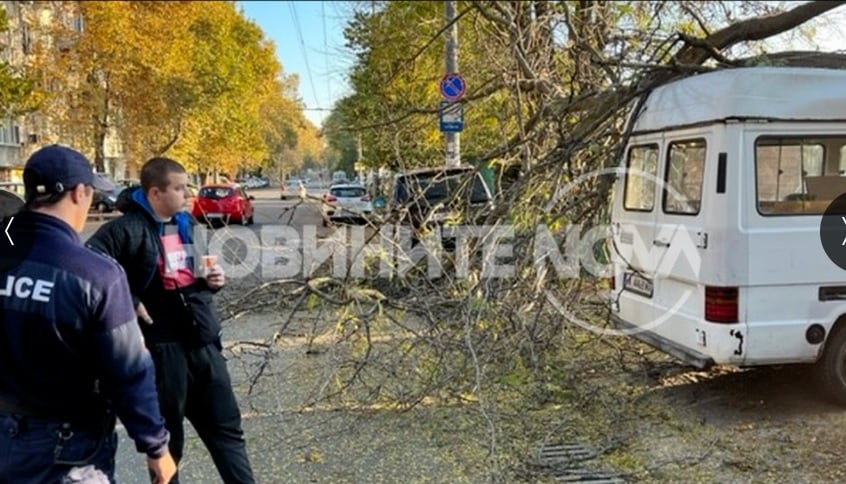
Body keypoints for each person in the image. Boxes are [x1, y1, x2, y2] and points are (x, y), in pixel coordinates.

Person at [0, 144, 176, 483]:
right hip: (67, 449)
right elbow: (129, 371)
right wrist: (157, 447)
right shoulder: (96, 274)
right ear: (79, 193)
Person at [87, 157, 255, 483]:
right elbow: (91, 267)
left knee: (227, 433)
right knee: (168, 445)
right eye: (178, 188)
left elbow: (199, 273)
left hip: (204, 345)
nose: (186, 194)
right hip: (162, 351)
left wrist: (213, 280)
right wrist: (129, 301)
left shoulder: (188, 225)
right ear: (155, 193)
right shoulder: (124, 230)